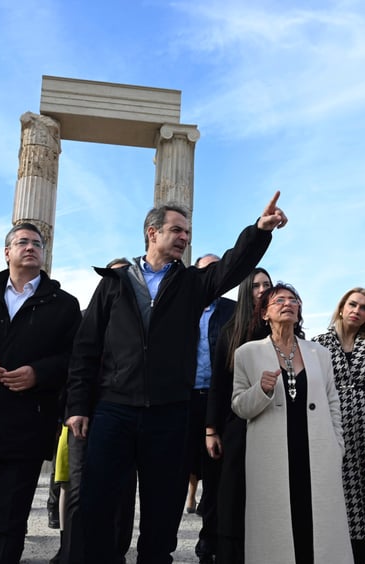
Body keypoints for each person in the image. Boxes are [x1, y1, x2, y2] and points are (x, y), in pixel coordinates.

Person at [67, 192, 287, 563]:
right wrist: (77, 406)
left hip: (168, 414)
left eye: (187, 231)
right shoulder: (114, 283)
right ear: (152, 233)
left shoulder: (192, 284)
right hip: (114, 409)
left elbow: (232, 267)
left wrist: (260, 231)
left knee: (163, 508)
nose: (185, 237)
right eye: (176, 230)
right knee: (99, 502)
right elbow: (86, 348)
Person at [0, 222, 82, 564]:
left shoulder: (65, 304)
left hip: (28, 422)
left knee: (8, 520)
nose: (31, 247)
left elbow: (76, 359)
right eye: (22, 242)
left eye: (37, 244)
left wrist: (39, 373)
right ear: (7, 252)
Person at [232, 283, 352, 563]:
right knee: (278, 528)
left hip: (318, 452)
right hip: (271, 456)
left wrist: (337, 444)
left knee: (319, 524)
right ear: (264, 314)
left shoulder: (318, 353)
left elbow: (332, 400)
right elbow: (238, 406)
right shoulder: (247, 353)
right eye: (279, 300)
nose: (288, 304)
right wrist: (260, 390)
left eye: (293, 300)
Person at [56, 257, 137, 564]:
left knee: (123, 491)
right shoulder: (83, 316)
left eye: (124, 276)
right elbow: (75, 364)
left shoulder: (143, 323)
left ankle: (116, 553)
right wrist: (74, 408)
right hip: (85, 414)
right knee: (78, 488)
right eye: (113, 276)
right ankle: (71, 553)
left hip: (124, 413)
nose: (118, 281)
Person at [312, 287, 365, 564]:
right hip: (331, 426)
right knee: (335, 497)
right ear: (342, 306)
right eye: (353, 305)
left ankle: (360, 557)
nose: (357, 311)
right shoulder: (318, 343)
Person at [204, 266, 271, 564]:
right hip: (237, 425)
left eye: (266, 285)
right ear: (246, 291)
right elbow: (218, 384)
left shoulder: (282, 329)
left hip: (274, 425)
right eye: (255, 285)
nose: (261, 290)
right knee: (231, 495)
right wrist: (211, 429)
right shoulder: (231, 331)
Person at [183, 253, 236, 564]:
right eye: (206, 271)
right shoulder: (179, 305)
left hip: (219, 402)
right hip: (180, 401)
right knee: (170, 476)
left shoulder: (233, 310)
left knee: (216, 480)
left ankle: (208, 548)